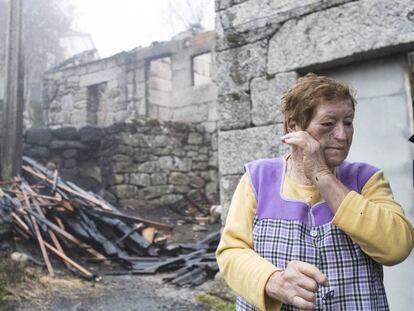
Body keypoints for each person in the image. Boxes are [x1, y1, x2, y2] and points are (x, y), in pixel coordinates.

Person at [216, 73, 414, 310]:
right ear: (294, 126)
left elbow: (396, 247)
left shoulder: (367, 179)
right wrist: (273, 281)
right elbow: (231, 252)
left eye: (348, 122)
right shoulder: (258, 179)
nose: (342, 135)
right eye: (328, 124)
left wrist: (322, 175)